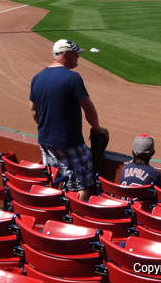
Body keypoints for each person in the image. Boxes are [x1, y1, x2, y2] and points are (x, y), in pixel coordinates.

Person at [29, 39, 108, 201]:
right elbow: (88, 107)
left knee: (55, 179)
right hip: (69, 143)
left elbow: (33, 110)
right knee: (83, 184)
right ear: (65, 55)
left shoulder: (37, 78)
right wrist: (97, 128)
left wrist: (47, 126)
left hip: (45, 140)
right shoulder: (72, 78)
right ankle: (76, 218)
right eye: (76, 55)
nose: (78, 58)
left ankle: (56, 213)